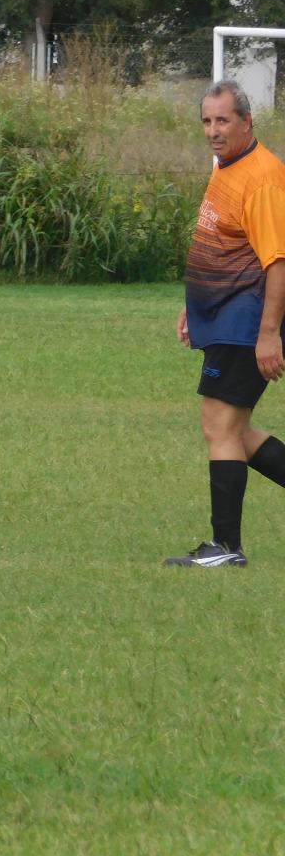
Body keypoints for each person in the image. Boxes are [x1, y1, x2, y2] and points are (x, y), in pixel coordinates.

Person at [167, 79, 285, 568]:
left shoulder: (262, 178)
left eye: (223, 121)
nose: (214, 131)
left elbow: (278, 263)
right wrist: (193, 306)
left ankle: (225, 548)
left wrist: (268, 333)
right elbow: (220, 241)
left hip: (247, 320)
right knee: (233, 428)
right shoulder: (227, 166)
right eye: (207, 121)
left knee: (219, 424)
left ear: (246, 121)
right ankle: (224, 547)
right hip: (224, 314)